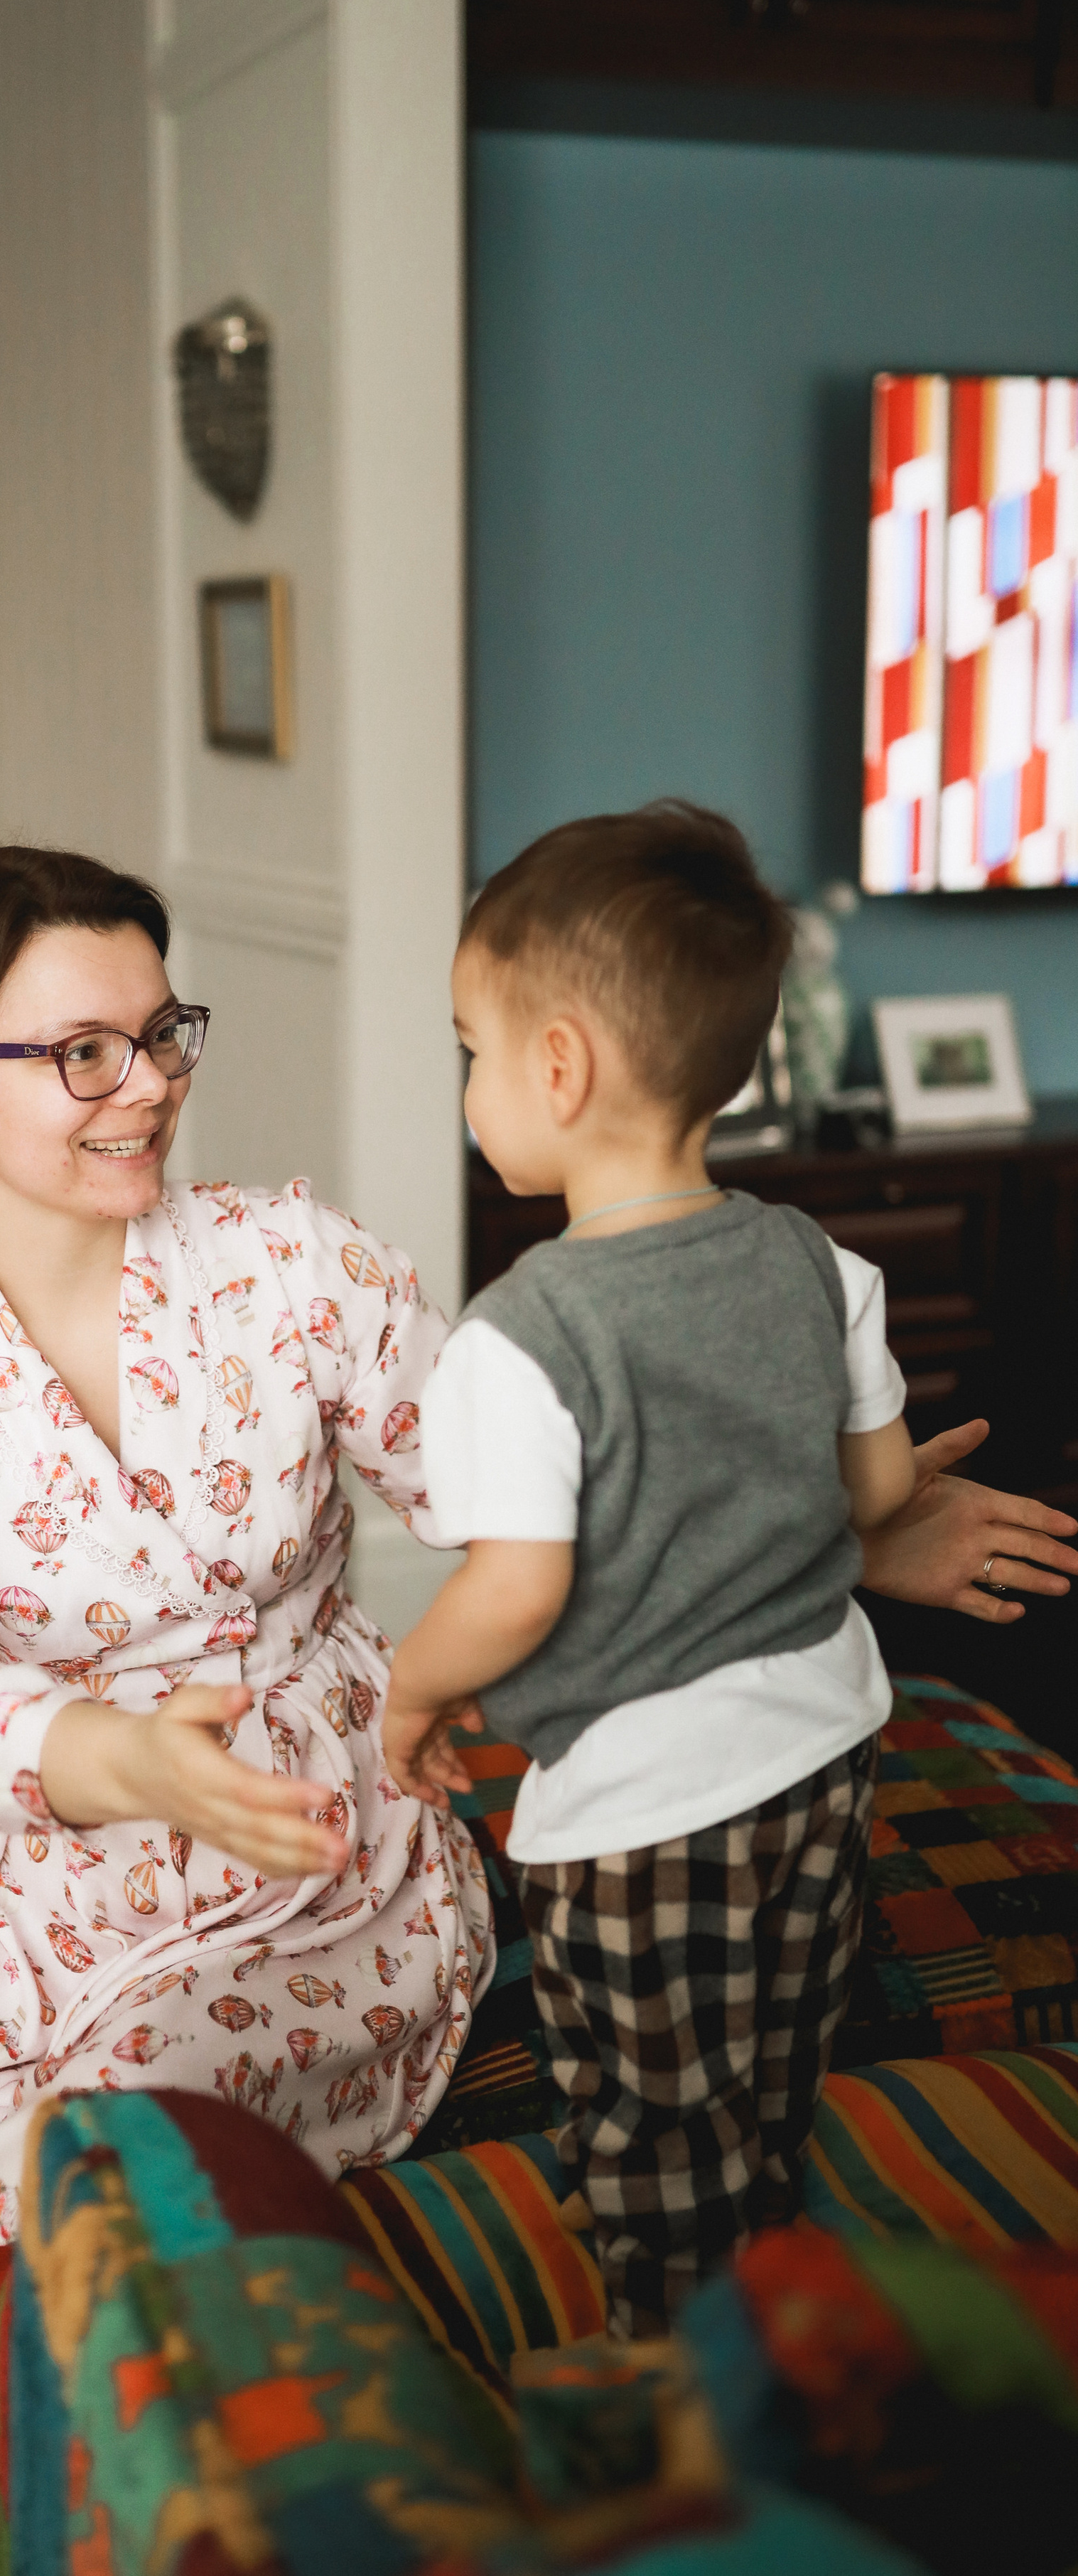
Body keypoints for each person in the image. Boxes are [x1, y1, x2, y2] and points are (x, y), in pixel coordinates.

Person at [0, 841, 1075, 2570]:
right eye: (82, 1051)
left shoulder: (292, 1269)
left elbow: (528, 1515)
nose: (146, 1083)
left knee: (52, 2185)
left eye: (163, 1033)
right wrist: (111, 1762)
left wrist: (845, 1524)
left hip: (310, 1856)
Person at [380, 802, 1038, 2337]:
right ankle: (783, 2284)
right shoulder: (817, 1260)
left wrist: (407, 1694)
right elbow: (869, 1486)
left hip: (642, 1813)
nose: (470, 1082)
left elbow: (516, 1590)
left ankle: (690, 2393)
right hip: (823, 1748)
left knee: (650, 2119)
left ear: (557, 1070)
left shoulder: (520, 1335)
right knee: (776, 2057)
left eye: (469, 1046)